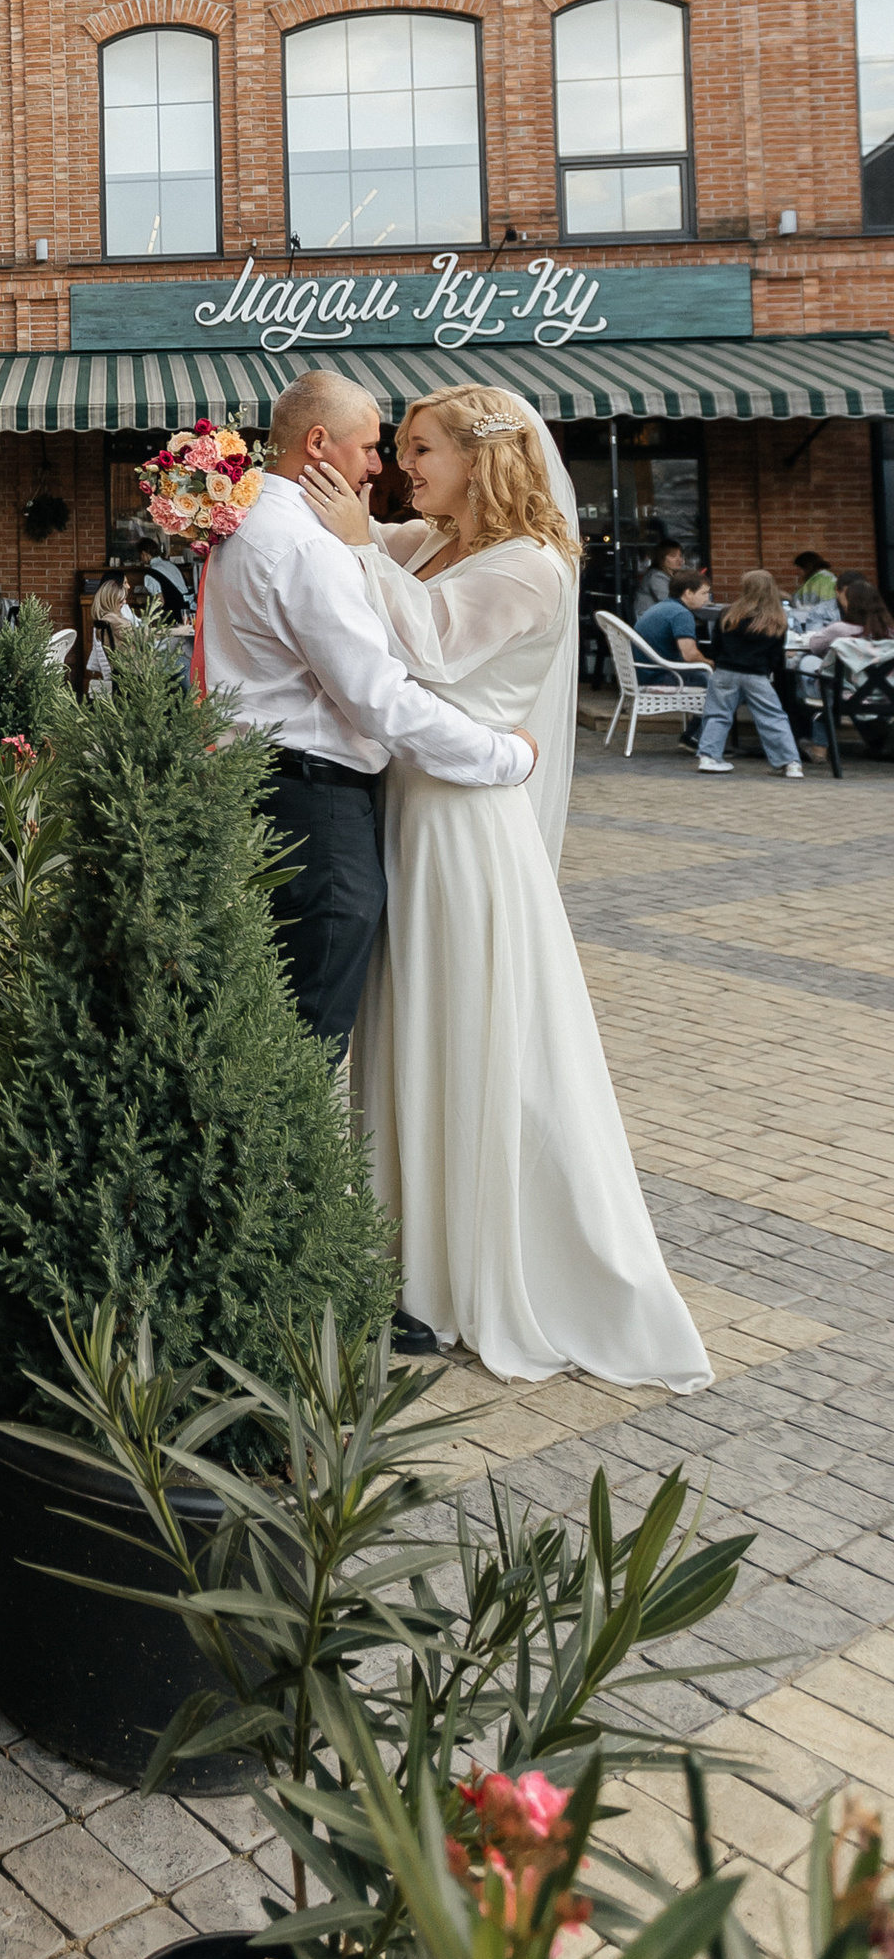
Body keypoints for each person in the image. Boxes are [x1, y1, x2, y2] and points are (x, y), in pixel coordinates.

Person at [301, 386, 710, 1392]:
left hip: (458, 829)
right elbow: (338, 539)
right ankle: (403, 1255)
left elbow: (430, 645)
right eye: (394, 450)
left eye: (420, 448)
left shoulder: (529, 565)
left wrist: (358, 546)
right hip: (399, 810)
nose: (401, 468)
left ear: (484, 457)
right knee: (406, 1034)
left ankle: (463, 1275)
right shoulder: (426, 543)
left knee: (463, 1032)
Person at [199, 367, 537, 1096]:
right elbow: (379, 700)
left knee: (271, 1022)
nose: (381, 465)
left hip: (268, 789)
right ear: (318, 443)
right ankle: (284, 1200)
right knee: (305, 1042)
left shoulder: (252, 520)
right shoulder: (306, 548)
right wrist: (503, 755)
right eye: (372, 446)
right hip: (316, 812)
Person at [694, 569, 806, 777]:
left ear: (745, 588)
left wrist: (719, 661)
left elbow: (716, 646)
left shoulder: (728, 613)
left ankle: (708, 757)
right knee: (772, 717)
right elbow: (776, 655)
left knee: (717, 714)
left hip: (726, 671)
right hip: (756, 674)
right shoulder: (776, 619)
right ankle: (790, 763)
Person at [634, 564, 713, 685]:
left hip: (645, 675)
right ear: (688, 593)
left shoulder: (662, 607)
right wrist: (711, 664)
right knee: (723, 683)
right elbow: (690, 655)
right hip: (662, 678)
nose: (707, 599)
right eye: (704, 593)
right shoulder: (681, 614)